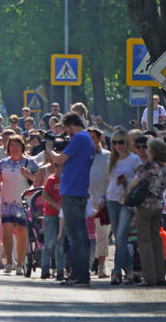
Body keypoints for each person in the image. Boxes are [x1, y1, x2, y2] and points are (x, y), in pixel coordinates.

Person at [44, 112, 94, 287]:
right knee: (80, 233)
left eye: (67, 130)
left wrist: (49, 148)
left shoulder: (79, 138)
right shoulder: (86, 138)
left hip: (72, 190)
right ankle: (81, 273)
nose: (67, 134)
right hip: (79, 189)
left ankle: (79, 275)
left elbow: (60, 159)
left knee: (75, 235)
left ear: (72, 124)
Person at [0, 135, 39, 275]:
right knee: (6, 231)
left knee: (21, 232)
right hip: (6, 202)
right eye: (11, 145)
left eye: (17, 145)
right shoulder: (3, 163)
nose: (14, 148)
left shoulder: (30, 162)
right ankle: (9, 262)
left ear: (23, 146)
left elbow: (40, 181)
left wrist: (28, 175)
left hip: (23, 202)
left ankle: (19, 263)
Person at [127, 138, 166, 286]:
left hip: (144, 205)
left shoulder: (149, 166)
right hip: (158, 205)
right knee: (156, 240)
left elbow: (135, 183)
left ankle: (149, 277)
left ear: (153, 152)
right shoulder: (164, 168)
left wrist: (128, 189)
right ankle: (160, 276)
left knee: (144, 241)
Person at [105, 129, 141, 285]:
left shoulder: (134, 159)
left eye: (120, 142)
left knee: (120, 236)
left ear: (126, 142)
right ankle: (130, 270)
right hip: (112, 199)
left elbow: (141, 178)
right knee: (118, 237)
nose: (117, 146)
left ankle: (116, 271)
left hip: (127, 200)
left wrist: (128, 181)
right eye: (114, 142)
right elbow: (108, 181)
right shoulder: (111, 159)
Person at [87, 127, 111, 279]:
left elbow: (110, 177)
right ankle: (85, 265)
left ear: (99, 139)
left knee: (103, 235)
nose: (90, 141)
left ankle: (102, 266)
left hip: (102, 201)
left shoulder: (107, 156)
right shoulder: (81, 156)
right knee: (86, 236)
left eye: (93, 138)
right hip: (85, 201)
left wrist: (106, 197)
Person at [41, 159, 65, 280]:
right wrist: (55, 205)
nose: (60, 168)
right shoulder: (51, 180)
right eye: (58, 166)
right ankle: (45, 269)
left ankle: (60, 270)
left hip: (62, 216)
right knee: (49, 242)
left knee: (60, 244)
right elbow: (44, 195)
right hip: (51, 214)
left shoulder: (67, 179)